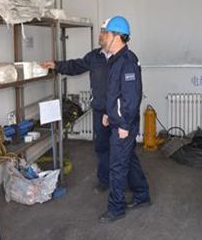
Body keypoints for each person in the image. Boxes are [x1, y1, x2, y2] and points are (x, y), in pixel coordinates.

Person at [40, 28, 112, 193]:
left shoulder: (121, 57)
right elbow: (76, 66)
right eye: (100, 32)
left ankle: (128, 182)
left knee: (122, 149)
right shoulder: (95, 56)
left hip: (117, 111)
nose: (100, 36)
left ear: (113, 35)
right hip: (100, 110)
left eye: (104, 33)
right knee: (102, 147)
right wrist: (56, 65)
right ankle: (104, 181)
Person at [98, 16, 151, 223]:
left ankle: (116, 208)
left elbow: (131, 97)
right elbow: (115, 93)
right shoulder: (115, 60)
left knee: (117, 166)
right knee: (128, 158)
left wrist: (124, 124)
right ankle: (142, 194)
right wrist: (107, 113)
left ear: (117, 36)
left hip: (124, 124)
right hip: (119, 121)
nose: (103, 37)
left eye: (106, 33)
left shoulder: (127, 62)